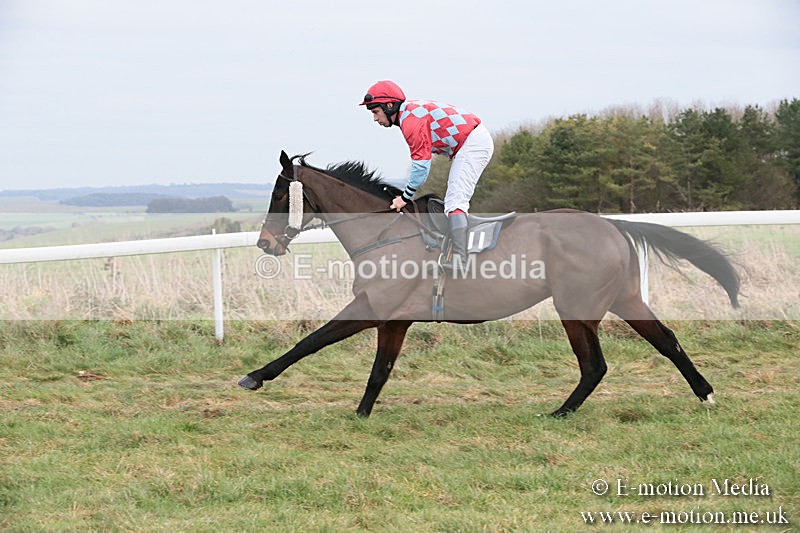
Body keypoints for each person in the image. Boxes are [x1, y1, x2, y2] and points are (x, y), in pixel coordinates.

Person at [359, 80, 494, 273]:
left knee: (455, 202)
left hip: (472, 144)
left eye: (375, 112)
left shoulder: (410, 122)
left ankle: (460, 261)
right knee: (453, 200)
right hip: (468, 143)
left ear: (389, 106)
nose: (374, 118)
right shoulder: (409, 114)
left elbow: (421, 168)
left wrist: (404, 198)